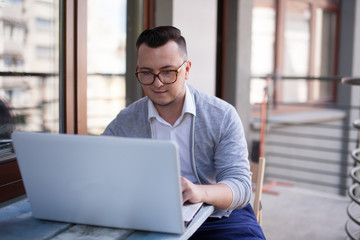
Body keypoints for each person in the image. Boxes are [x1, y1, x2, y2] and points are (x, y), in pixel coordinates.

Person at [102, 26, 265, 240]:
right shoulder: (125, 121)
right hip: (150, 218)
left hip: (217, 217)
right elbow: (99, 173)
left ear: (186, 69)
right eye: (146, 73)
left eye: (168, 71)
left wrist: (198, 192)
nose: (157, 83)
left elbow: (241, 187)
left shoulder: (222, 115)